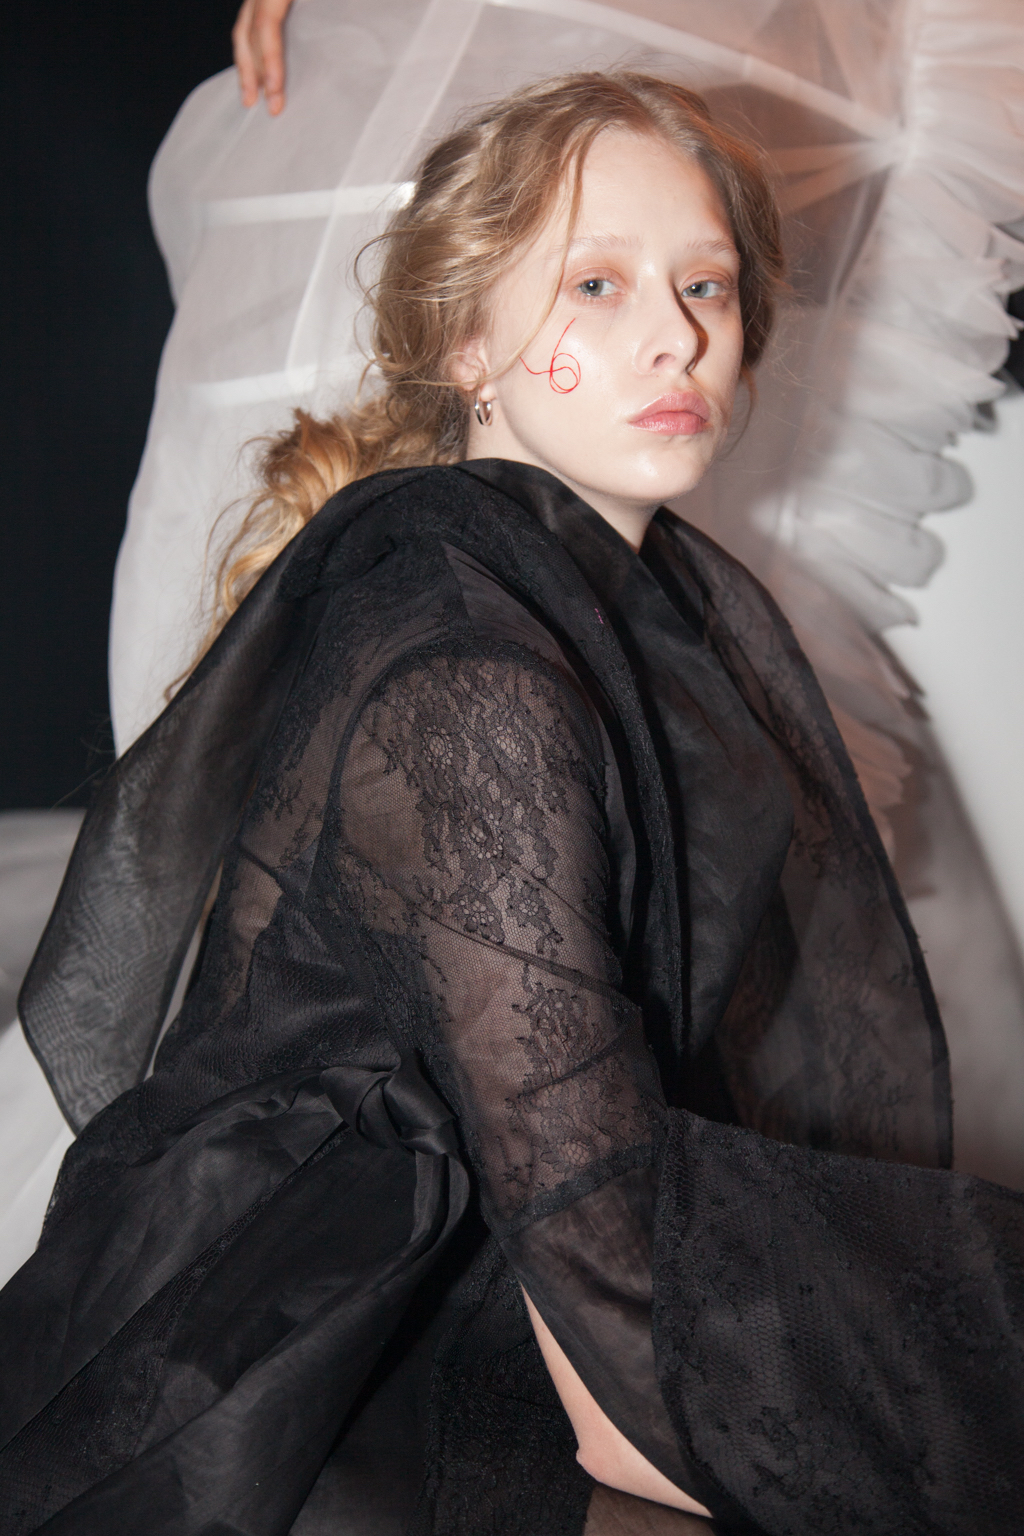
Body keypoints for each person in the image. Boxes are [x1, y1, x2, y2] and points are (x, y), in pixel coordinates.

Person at [1, 69, 1021, 1536]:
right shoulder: (471, 668)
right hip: (315, 1381)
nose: (677, 334)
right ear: (467, 340)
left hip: (505, 1286)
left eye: (705, 285)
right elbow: (610, 1343)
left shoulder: (619, 608)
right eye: (597, 284)